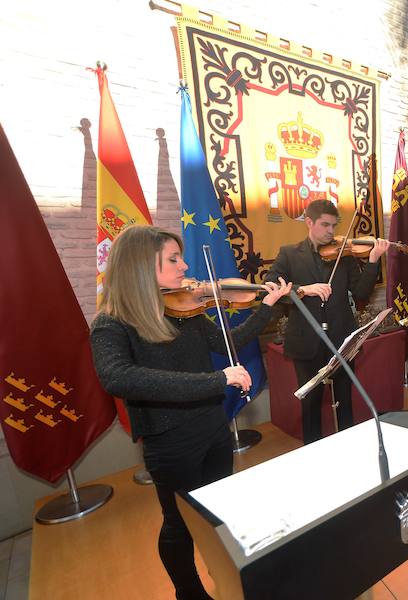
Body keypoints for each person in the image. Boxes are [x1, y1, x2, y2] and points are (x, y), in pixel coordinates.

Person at [90, 225, 291, 600]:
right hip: (170, 440)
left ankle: (228, 573)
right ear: (139, 266)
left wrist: (265, 308)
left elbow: (225, 342)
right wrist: (216, 381)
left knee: (218, 509)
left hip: (213, 425)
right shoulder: (111, 323)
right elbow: (119, 377)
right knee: (180, 523)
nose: (184, 266)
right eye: (173, 259)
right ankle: (189, 593)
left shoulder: (185, 310)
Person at [266, 199, 388, 442]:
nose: (331, 232)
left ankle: (346, 445)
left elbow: (362, 292)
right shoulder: (289, 254)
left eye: (334, 225)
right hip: (306, 341)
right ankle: (314, 452)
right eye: (325, 225)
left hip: (341, 339)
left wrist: (374, 260)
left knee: (344, 399)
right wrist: (304, 289)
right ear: (309, 222)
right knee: (310, 403)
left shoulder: (344, 254)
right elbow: (270, 287)